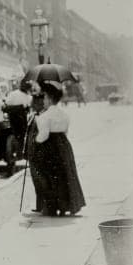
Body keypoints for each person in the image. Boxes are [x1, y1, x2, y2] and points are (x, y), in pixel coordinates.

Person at [32, 81, 86, 216]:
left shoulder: (45, 116)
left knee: (50, 176)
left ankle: (52, 206)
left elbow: (43, 136)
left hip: (49, 147)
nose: (43, 100)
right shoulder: (64, 115)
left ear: (49, 98)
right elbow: (65, 132)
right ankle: (65, 205)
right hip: (63, 145)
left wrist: (35, 142)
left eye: (44, 98)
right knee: (65, 175)